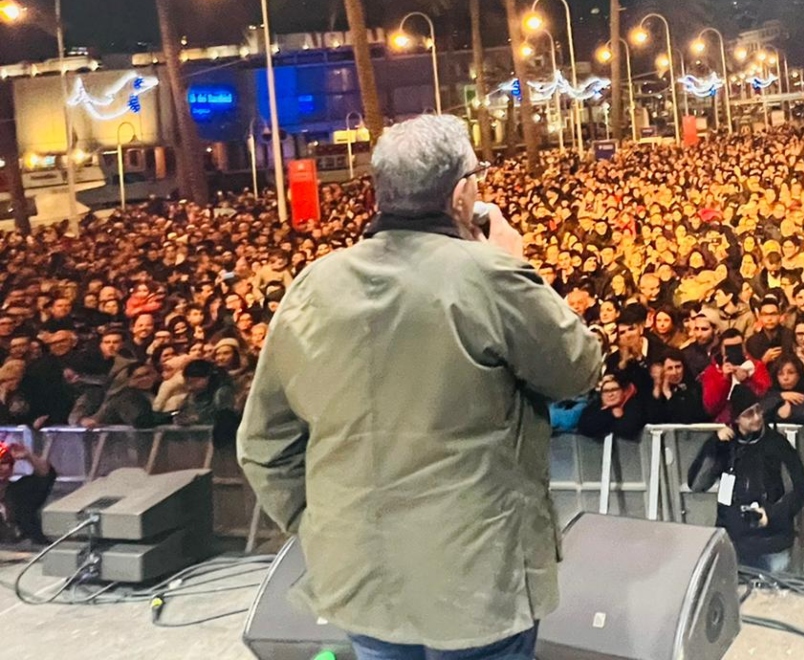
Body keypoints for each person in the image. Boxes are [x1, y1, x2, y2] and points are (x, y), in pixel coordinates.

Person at [237, 116, 603, 660]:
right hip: (476, 578)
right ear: (461, 194)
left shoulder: (312, 285)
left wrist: (320, 526)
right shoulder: (489, 276)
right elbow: (577, 368)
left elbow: (263, 444)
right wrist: (512, 263)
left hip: (361, 572)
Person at [686, 390, 804, 573]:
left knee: (772, 597)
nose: (757, 418)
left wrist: (772, 514)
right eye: (748, 414)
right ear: (736, 419)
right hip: (734, 542)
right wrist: (713, 445)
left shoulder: (777, 444)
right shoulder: (727, 445)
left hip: (771, 543)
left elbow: (801, 487)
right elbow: (697, 484)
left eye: (758, 410)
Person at [0, 439, 55, 545]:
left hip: (32, 550)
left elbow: (45, 475)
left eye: (4, 463)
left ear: (11, 468)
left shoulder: (20, 491)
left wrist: (28, 456)